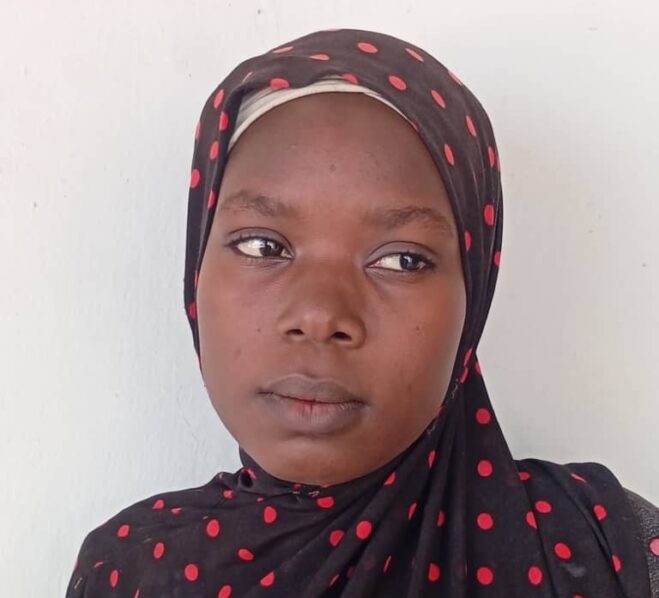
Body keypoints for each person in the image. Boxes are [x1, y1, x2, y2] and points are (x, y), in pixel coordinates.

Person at [65, 27, 659, 597]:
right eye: (262, 246)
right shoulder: (128, 572)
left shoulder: (606, 553)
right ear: (196, 268)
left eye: (402, 260)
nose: (320, 315)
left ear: (473, 297)